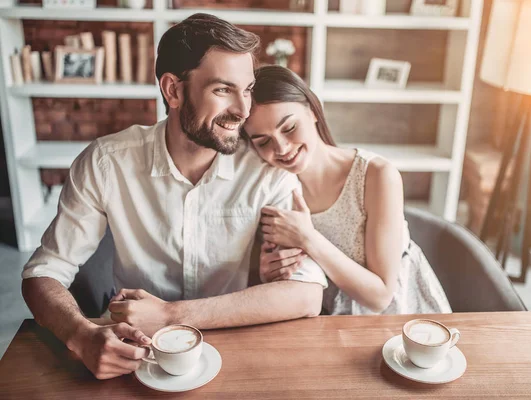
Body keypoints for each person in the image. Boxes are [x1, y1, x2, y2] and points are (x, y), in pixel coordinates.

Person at [21, 14, 327, 380]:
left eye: (246, 89)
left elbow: (307, 295)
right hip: (134, 349)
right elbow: (43, 273)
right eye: (222, 90)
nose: (243, 110)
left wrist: (171, 314)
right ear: (174, 90)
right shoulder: (106, 162)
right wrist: (81, 335)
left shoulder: (266, 169)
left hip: (235, 346)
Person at [242, 65, 451, 316]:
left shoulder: (377, 176)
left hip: (401, 319)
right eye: (263, 141)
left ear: (313, 111)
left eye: (289, 128)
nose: (282, 147)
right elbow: (289, 277)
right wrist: (270, 273)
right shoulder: (272, 190)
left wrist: (308, 238)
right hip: (326, 319)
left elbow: (381, 296)